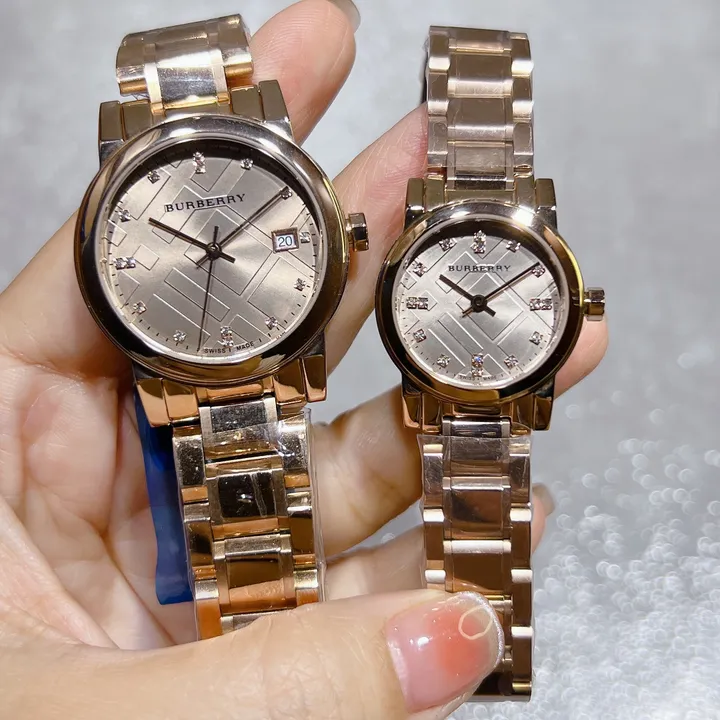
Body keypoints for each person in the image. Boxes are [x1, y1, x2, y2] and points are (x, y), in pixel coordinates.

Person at [0, 1, 608, 717]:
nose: (215, 250)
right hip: (194, 368)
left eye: (227, 242)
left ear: (342, 239)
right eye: (194, 244)